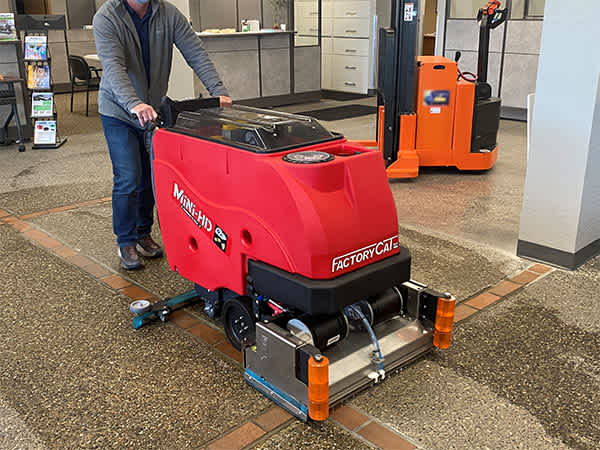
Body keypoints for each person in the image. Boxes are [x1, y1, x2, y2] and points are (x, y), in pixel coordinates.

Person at [93, 0, 231, 270]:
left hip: (151, 110)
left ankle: (143, 233)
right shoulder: (107, 18)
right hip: (118, 111)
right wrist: (133, 103)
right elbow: (113, 67)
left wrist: (218, 92)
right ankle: (126, 240)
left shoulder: (168, 14)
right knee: (128, 177)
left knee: (150, 176)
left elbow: (195, 52)